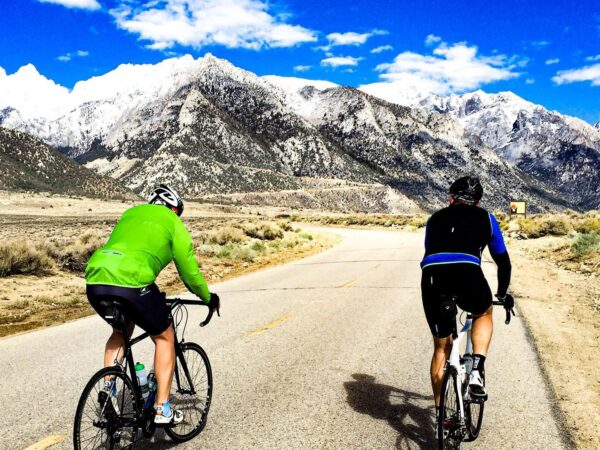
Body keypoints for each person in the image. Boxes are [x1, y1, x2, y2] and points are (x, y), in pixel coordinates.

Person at [85, 184, 220, 425]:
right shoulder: (173, 221)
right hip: (134, 282)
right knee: (164, 336)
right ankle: (162, 409)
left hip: (96, 279)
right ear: (174, 209)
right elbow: (189, 272)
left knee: (121, 330)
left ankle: (109, 389)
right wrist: (208, 298)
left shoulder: (130, 214)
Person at [420, 176, 512, 425]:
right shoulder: (486, 218)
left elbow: (431, 250)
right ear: (478, 202)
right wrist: (502, 294)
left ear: (451, 198)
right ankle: (476, 372)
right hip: (467, 274)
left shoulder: (434, 218)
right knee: (483, 312)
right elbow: (502, 261)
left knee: (441, 347)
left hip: (432, 276)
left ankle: (441, 416)